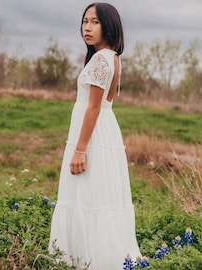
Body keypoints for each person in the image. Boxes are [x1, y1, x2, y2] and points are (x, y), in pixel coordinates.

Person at [49, 2, 142, 269]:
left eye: (95, 22)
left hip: (91, 136)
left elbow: (93, 106)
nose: (87, 27)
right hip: (103, 131)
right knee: (97, 197)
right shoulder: (111, 56)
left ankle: (88, 260)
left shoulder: (101, 59)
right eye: (85, 21)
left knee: (86, 197)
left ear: (109, 26)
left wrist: (80, 150)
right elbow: (106, 103)